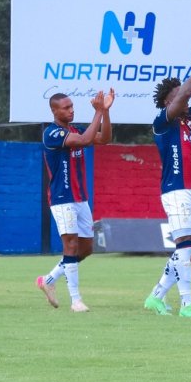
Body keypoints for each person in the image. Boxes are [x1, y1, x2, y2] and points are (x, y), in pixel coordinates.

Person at [142, 36, 191, 318]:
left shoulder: (189, 119)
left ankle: (156, 297)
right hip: (175, 190)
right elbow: (188, 93)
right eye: (177, 94)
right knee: (186, 248)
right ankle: (187, 305)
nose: (184, 96)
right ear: (168, 100)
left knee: (188, 250)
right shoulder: (162, 122)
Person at [35, 88, 114, 312]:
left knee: (86, 248)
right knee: (70, 245)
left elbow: (104, 138)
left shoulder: (74, 130)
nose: (71, 110)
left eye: (71, 106)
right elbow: (87, 138)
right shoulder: (52, 133)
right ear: (54, 110)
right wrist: (97, 112)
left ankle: (49, 279)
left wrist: (105, 112)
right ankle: (76, 300)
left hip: (80, 199)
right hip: (62, 198)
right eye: (66, 107)